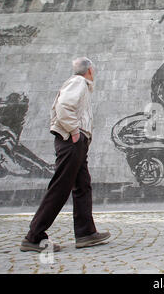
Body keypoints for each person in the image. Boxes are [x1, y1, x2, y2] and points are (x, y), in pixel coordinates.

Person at [20, 57, 110, 252]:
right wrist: (75, 131)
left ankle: (86, 233)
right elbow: (63, 107)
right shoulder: (78, 82)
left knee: (82, 186)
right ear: (90, 71)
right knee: (60, 187)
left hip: (76, 142)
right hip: (71, 141)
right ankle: (34, 236)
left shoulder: (81, 84)